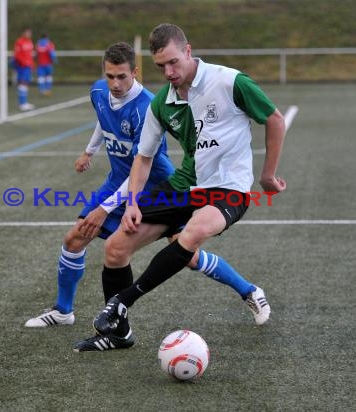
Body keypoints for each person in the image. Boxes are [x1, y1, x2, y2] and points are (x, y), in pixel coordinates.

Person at [25, 43, 269, 353]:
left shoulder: (148, 107)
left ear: (134, 73)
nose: (115, 84)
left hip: (155, 184)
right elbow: (105, 119)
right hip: (122, 180)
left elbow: (146, 159)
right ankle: (80, 316)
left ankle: (249, 291)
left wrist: (108, 206)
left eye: (121, 77)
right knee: (86, 241)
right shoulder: (100, 93)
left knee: (187, 253)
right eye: (110, 76)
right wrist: (90, 150)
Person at [78, 23, 285, 351]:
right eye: (161, 66)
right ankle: (118, 333)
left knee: (193, 234)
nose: (169, 72)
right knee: (115, 248)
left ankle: (122, 302)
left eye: (174, 62)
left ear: (188, 51)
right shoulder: (161, 103)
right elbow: (143, 158)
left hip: (228, 188)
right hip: (182, 186)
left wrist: (267, 175)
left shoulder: (229, 81)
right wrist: (132, 203)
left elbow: (274, 119)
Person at [13, 28, 35, 111]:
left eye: (30, 33)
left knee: (26, 84)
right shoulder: (19, 42)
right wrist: (22, 63)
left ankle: (25, 102)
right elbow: (17, 55)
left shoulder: (30, 42)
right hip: (22, 66)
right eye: (27, 33)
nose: (29, 34)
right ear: (23, 33)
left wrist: (31, 65)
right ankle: (22, 103)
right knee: (22, 83)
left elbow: (30, 55)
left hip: (28, 66)